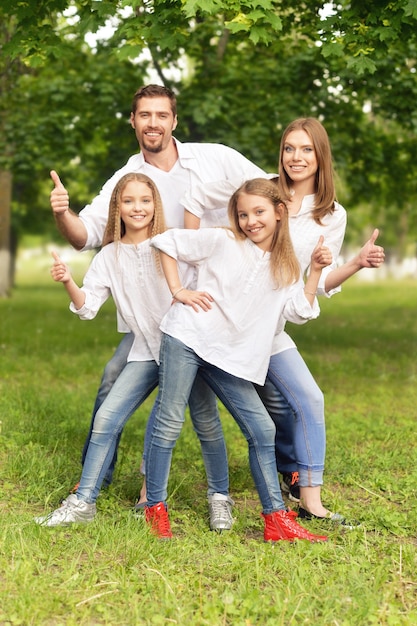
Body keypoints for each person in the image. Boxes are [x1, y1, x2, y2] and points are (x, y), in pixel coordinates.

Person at [49, 84, 266, 500]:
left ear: (174, 121)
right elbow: (85, 235)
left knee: (260, 383)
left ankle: (287, 476)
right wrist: (63, 212)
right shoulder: (127, 179)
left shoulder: (214, 158)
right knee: (118, 378)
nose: (153, 123)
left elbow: (268, 195)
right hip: (156, 310)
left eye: (161, 115)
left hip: (213, 303)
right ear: (133, 121)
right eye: (144, 115)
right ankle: (98, 479)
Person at [183, 117, 385, 525]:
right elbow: (199, 195)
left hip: (271, 325)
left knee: (307, 399)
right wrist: (192, 259)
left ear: (320, 156)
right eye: (290, 148)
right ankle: (259, 478)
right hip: (224, 318)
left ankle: (310, 501)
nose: (296, 157)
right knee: (265, 407)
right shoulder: (264, 188)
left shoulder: (332, 215)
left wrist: (356, 264)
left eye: (307, 149)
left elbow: (317, 278)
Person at [35, 173, 230, 528]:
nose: (137, 208)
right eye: (128, 201)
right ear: (117, 207)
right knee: (107, 418)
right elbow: (88, 306)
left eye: (145, 200)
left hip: (187, 350)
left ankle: (219, 497)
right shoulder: (108, 256)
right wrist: (68, 281)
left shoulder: (173, 244)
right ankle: (83, 502)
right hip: (144, 350)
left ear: (155, 204)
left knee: (206, 423)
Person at [144, 177, 332, 542]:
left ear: (279, 213)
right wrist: (178, 290)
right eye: (243, 214)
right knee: (168, 421)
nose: (251, 221)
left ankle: (276, 520)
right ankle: (155, 507)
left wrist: (316, 273)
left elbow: (298, 311)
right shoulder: (223, 240)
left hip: (227, 357)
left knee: (262, 429)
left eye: (259, 212)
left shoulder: (287, 266)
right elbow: (164, 241)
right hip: (188, 337)